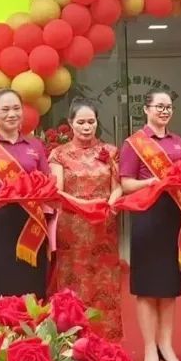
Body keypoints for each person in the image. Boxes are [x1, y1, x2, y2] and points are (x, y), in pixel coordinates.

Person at [119, 89, 181, 361]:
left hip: (174, 216)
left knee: (170, 286)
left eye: (168, 106)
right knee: (147, 287)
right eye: (159, 106)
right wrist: (154, 183)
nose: (164, 111)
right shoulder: (134, 143)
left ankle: (165, 344)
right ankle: (149, 347)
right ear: (146, 109)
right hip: (147, 216)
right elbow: (126, 184)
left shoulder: (178, 142)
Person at [0, 89, 51, 310]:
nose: (11, 114)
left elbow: (47, 183)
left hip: (29, 222)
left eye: (16, 108)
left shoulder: (35, 146)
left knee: (29, 289)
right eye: (5, 109)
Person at [48, 100, 123, 342]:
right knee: (74, 283)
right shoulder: (59, 154)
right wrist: (84, 205)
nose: (86, 127)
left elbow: (117, 187)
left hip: (103, 226)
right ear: (71, 123)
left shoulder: (110, 151)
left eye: (91, 122)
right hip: (72, 228)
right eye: (81, 122)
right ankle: (72, 342)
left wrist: (110, 204)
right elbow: (56, 191)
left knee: (105, 283)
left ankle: (106, 342)